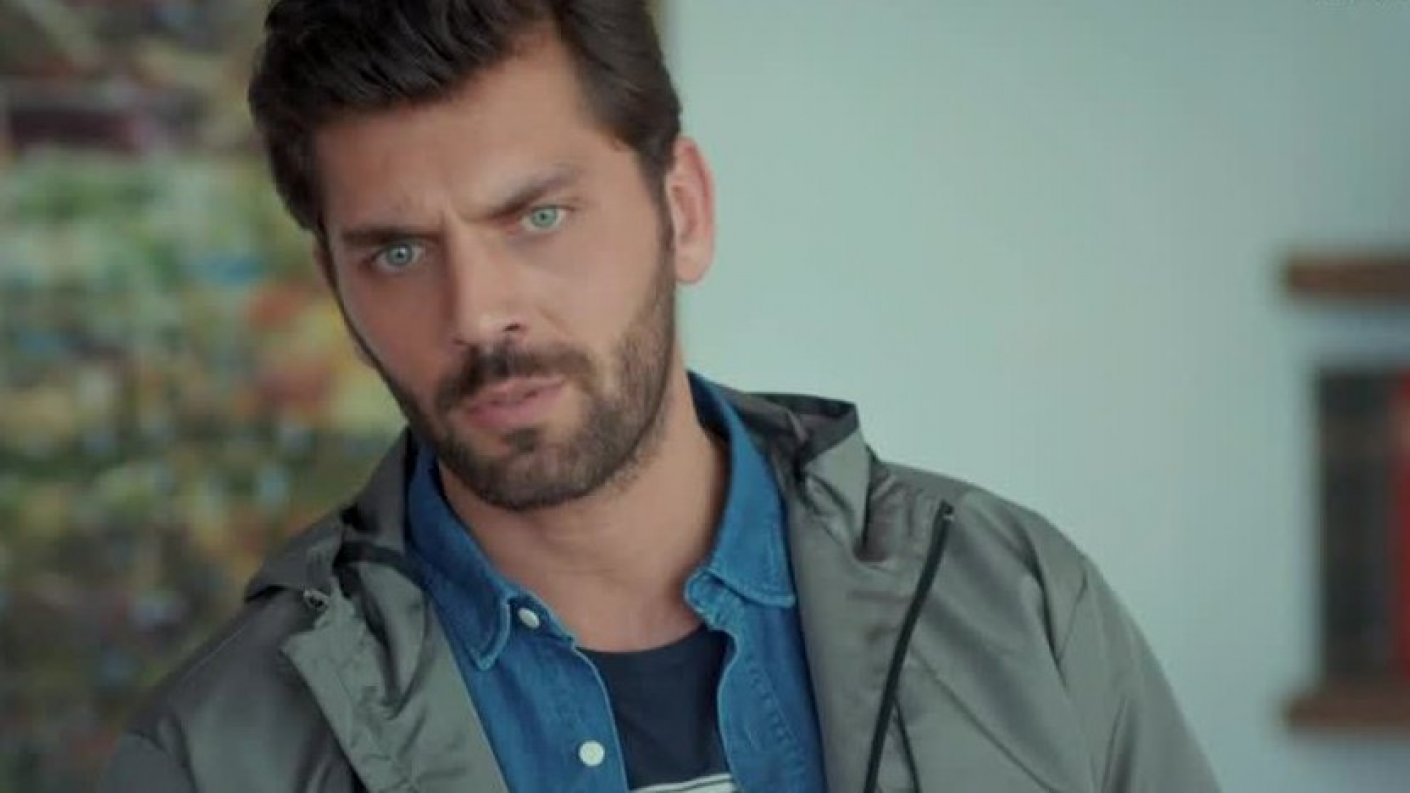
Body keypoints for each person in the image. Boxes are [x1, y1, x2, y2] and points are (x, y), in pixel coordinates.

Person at [99, 1, 1222, 791]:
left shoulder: (1019, 606)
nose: (478, 313)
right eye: (397, 252)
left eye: (539, 216)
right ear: (336, 283)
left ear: (682, 210)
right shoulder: (215, 753)